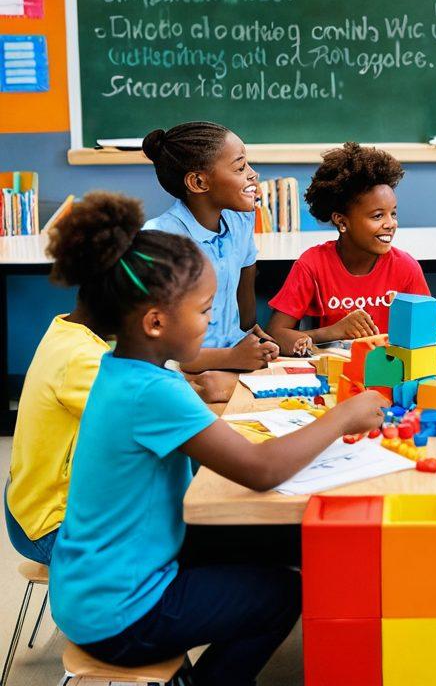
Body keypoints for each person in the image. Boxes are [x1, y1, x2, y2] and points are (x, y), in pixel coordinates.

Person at [48, 201, 385, 686]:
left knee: (290, 539)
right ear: (156, 323)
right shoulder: (152, 390)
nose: (211, 322)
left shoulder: (124, 369)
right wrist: (342, 416)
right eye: (204, 311)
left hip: (99, 580)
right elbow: (259, 470)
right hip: (120, 612)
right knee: (282, 595)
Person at [5, 192, 231, 565]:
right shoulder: (82, 361)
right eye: (203, 310)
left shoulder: (74, 334)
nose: (207, 321)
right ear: (151, 315)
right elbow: (163, 417)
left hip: (48, 503)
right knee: (227, 543)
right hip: (56, 526)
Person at [268, 143, 430, 354]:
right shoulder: (313, 264)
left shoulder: (406, 268)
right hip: (333, 373)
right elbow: (274, 335)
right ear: (342, 221)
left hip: (390, 374)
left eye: (394, 213)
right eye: (377, 216)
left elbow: (425, 336)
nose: (390, 223)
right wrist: (333, 332)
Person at [143, 122, 278, 371]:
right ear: (198, 182)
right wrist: (231, 358)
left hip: (231, 358)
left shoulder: (240, 219)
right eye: (240, 167)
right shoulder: (160, 239)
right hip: (179, 369)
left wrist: (249, 333)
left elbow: (246, 271)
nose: (253, 175)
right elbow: (155, 346)